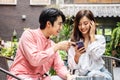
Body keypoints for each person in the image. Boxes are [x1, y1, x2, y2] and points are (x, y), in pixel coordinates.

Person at [8, 8, 72, 80]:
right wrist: (57, 47)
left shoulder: (52, 45)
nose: (61, 27)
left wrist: (68, 76)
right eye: (59, 24)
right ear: (48, 24)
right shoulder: (29, 35)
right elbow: (35, 60)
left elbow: (59, 66)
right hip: (20, 76)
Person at [68, 10, 112, 80]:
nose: (82, 27)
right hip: (82, 75)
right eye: (79, 24)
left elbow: (96, 55)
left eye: (85, 23)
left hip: (100, 74)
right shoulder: (73, 42)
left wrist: (92, 37)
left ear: (92, 23)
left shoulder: (100, 39)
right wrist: (77, 56)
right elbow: (71, 67)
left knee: (95, 76)